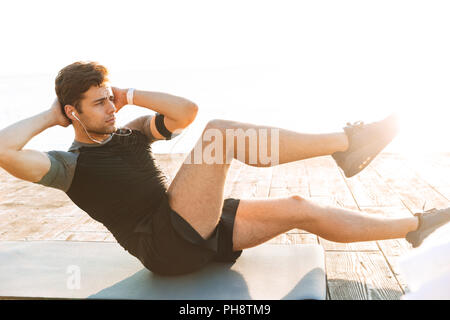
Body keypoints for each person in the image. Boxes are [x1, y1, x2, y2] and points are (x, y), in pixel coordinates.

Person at [0, 61, 448, 276]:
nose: (110, 109)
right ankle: (348, 144)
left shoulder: (130, 131)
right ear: (72, 112)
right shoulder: (67, 165)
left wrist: (130, 93)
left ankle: (412, 226)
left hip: (189, 225)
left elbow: (185, 112)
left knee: (298, 206)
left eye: (109, 98)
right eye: (98, 104)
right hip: (164, 243)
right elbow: (5, 150)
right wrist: (50, 115)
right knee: (220, 135)